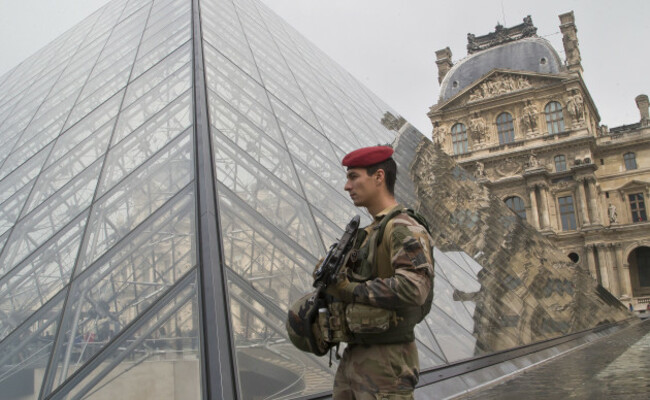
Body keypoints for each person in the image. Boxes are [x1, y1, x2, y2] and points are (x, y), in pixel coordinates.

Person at [324, 145, 435, 400]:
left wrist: (348, 289)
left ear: (379, 177)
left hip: (387, 365)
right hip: (357, 357)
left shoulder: (403, 228)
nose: (347, 186)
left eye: (353, 176)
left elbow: (414, 288)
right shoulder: (372, 231)